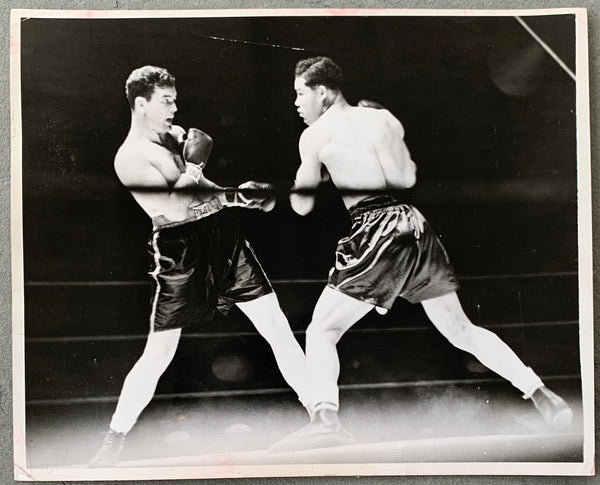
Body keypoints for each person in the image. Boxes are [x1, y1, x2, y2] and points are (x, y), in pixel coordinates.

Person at [270, 56, 573, 451]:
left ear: (322, 92)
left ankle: (326, 419)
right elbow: (406, 177)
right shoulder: (381, 119)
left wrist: (308, 174)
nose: (296, 103)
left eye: (300, 93)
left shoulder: (315, 135)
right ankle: (541, 395)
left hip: (374, 227)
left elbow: (302, 206)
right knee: (460, 329)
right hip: (414, 225)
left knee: (322, 330)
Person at [89, 65, 314, 467]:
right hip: (181, 251)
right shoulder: (130, 158)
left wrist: (237, 197)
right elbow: (174, 207)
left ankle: (321, 417)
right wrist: (193, 167)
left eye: (175, 99)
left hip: (222, 239)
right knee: (159, 353)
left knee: (277, 328)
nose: (175, 108)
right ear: (141, 104)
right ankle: (114, 440)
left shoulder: (175, 138)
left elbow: (202, 193)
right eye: (166, 101)